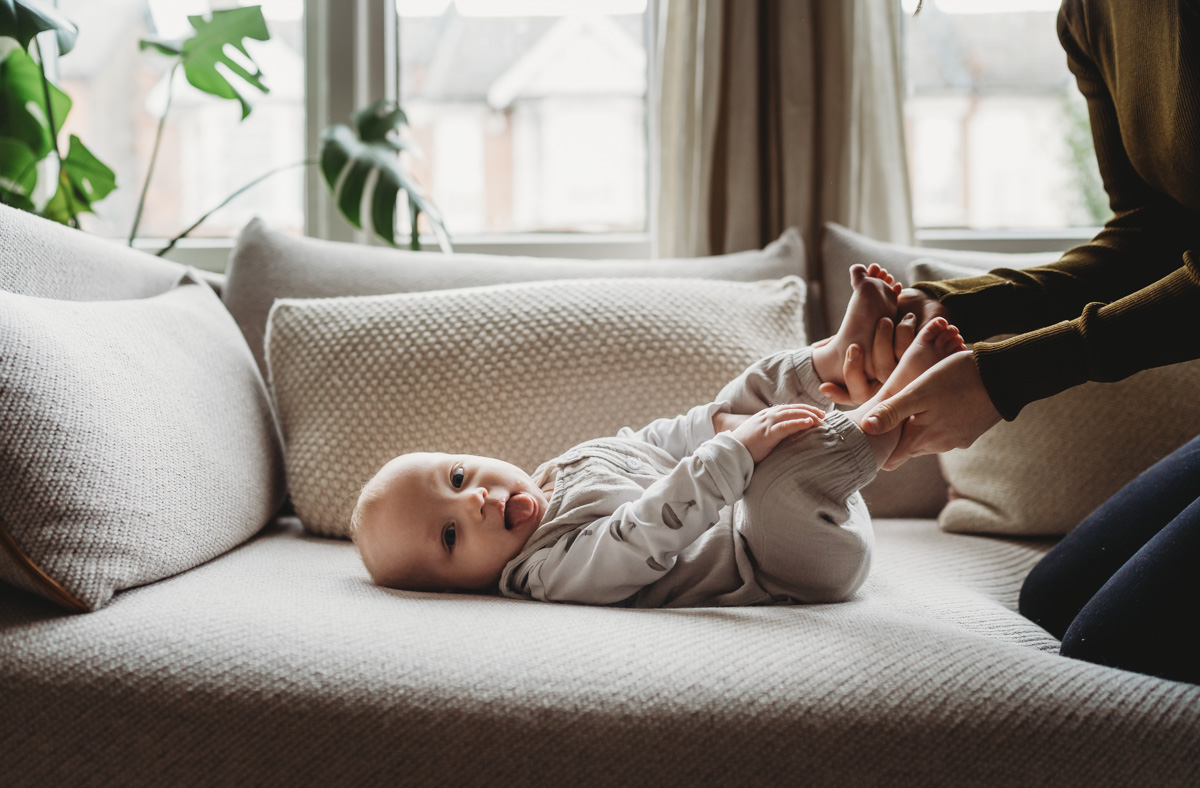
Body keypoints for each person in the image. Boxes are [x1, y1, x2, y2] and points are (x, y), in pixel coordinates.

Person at [829, 0, 1200, 683]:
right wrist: (958, 308)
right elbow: (1152, 232)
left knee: (1118, 648)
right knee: (1053, 599)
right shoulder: (1090, 15)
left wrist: (1000, 379)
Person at [349, 266, 966, 607]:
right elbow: (642, 532)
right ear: (461, 587)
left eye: (457, 478)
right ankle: (888, 415)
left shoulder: (560, 471)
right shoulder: (548, 573)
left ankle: (839, 359)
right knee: (771, 478)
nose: (474, 500)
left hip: (790, 499)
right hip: (790, 558)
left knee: (733, 400)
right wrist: (734, 452)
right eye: (451, 534)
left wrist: (714, 428)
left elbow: (650, 440)